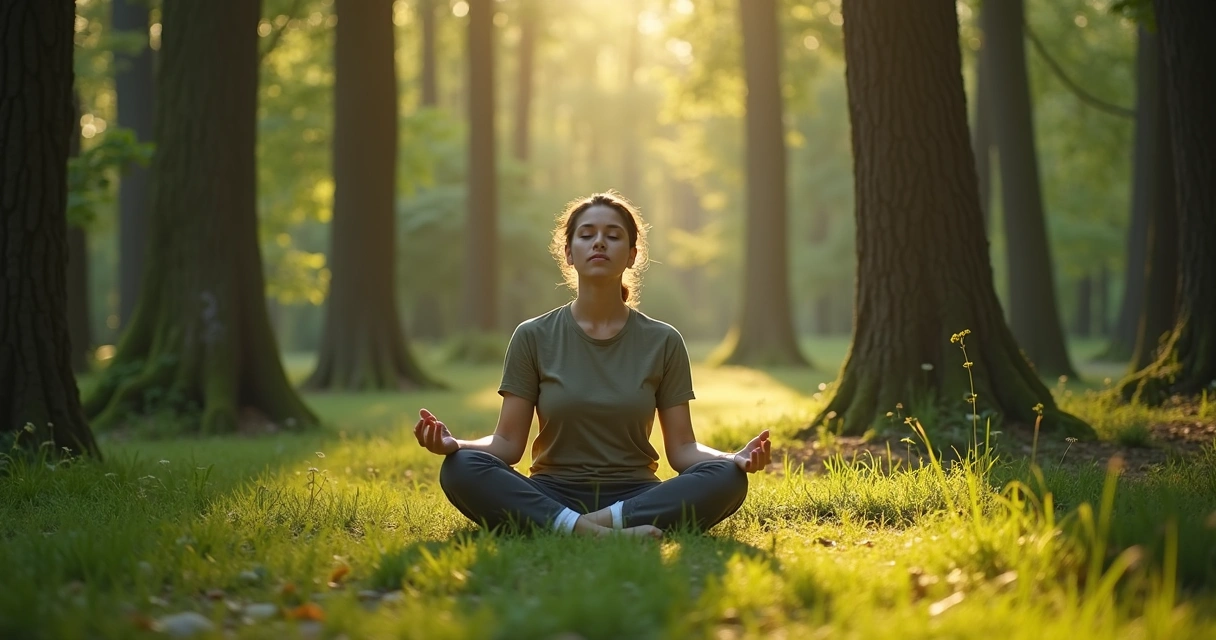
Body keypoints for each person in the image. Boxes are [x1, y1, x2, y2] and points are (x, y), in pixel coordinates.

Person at [414, 191, 772, 538]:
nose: (599, 242)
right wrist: (454, 444)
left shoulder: (663, 340)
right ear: (569, 253)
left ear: (632, 255)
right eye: (587, 235)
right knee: (461, 468)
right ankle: (593, 531)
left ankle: (577, 525)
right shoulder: (533, 336)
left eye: (613, 236)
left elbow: (682, 451)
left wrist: (731, 458)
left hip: (636, 497)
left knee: (727, 478)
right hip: (552, 492)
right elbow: (507, 444)